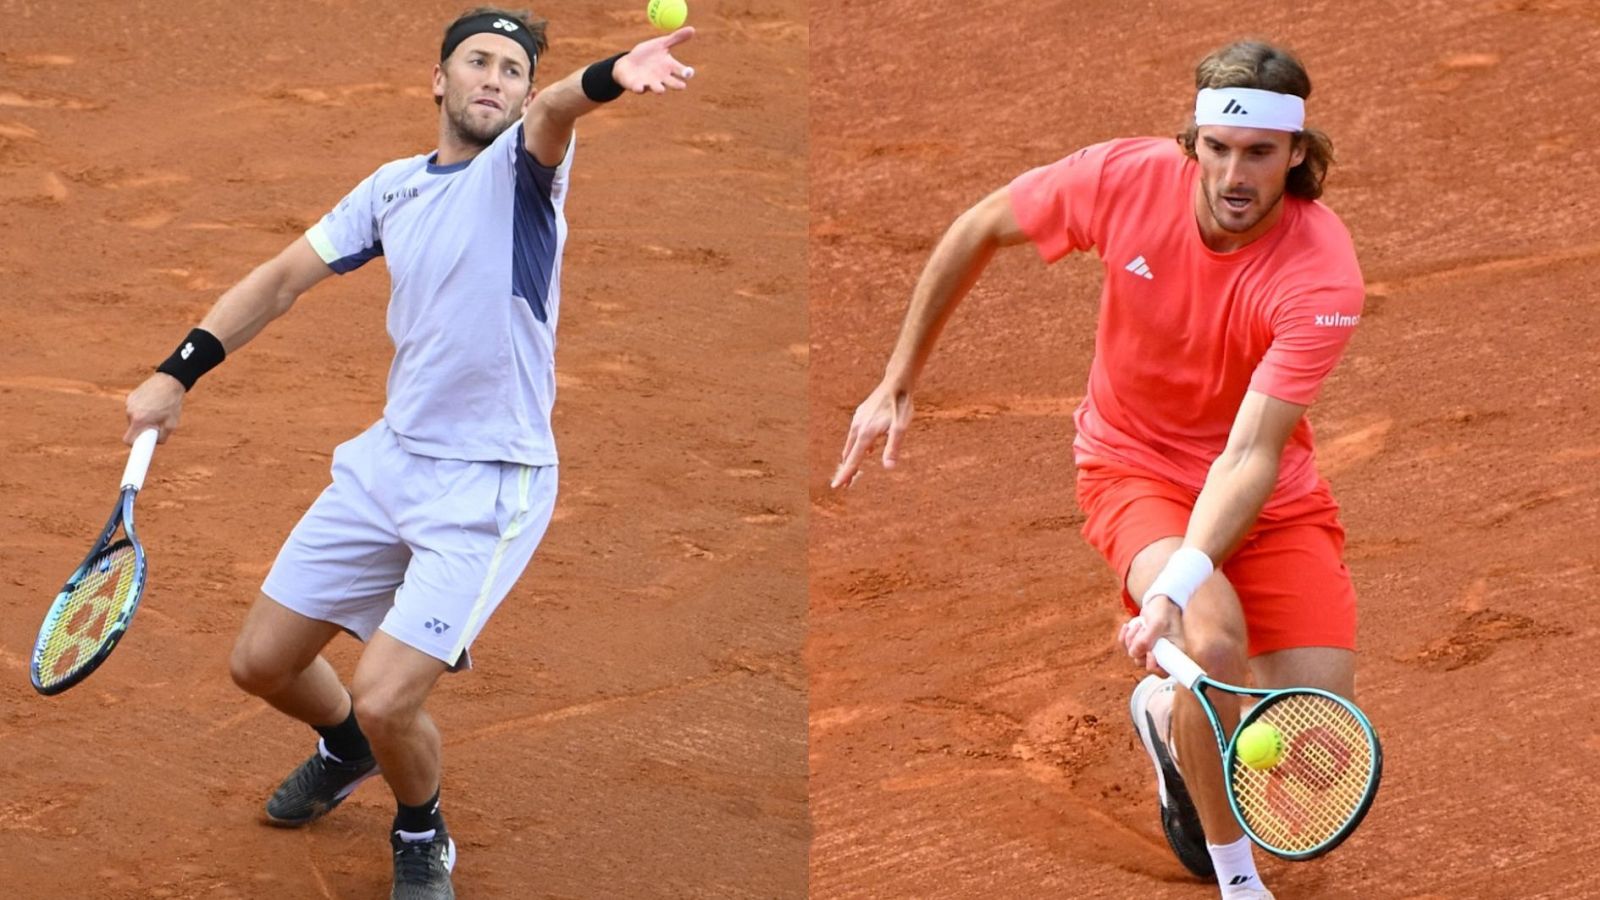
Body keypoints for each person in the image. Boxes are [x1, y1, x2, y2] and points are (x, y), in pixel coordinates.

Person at [121, 8, 697, 898]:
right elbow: (280, 280)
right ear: (439, 79)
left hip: (489, 485)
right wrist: (176, 373)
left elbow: (552, 112)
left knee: (390, 695)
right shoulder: (392, 188)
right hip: (390, 462)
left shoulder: (523, 174)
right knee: (261, 665)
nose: (496, 80)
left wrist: (613, 72)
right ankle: (345, 749)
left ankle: (421, 829)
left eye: (511, 68)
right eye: (478, 61)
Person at [832, 40, 1364, 900]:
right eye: (1217, 148)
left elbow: (1250, 453)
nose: (1235, 174)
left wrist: (1173, 585)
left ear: (1296, 154)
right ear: (1191, 142)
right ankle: (1237, 880)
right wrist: (897, 379)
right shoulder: (1124, 179)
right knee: (1213, 642)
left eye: (1260, 153)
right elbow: (978, 227)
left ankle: (1164, 714)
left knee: (1316, 744)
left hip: (1267, 498)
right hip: (1133, 467)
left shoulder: (1321, 272)